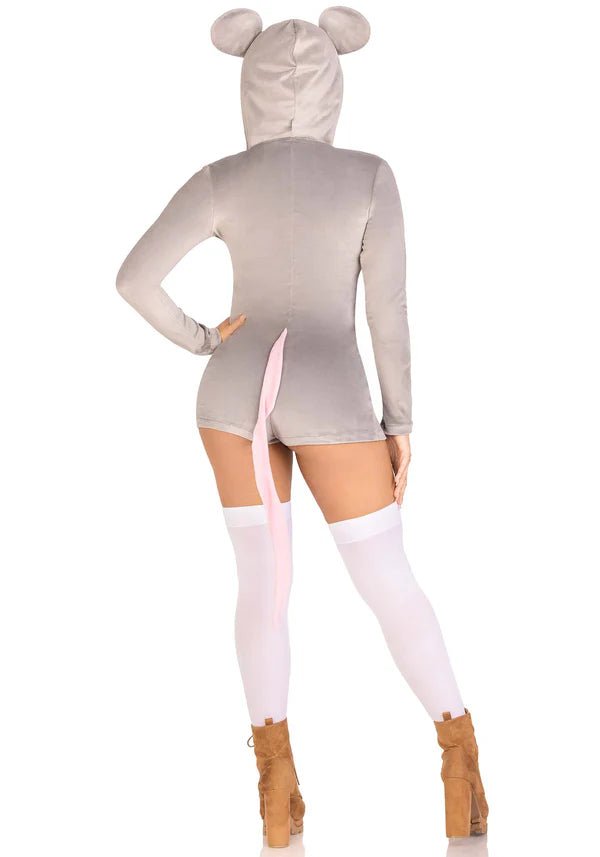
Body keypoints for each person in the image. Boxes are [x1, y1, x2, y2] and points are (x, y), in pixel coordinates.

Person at [116, 7, 489, 847]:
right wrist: (399, 421)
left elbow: (134, 278)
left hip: (232, 390)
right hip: (331, 390)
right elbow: (388, 313)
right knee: (388, 580)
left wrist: (206, 339)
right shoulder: (369, 177)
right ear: (334, 86)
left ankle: (275, 792)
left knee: (262, 586)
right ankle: (459, 763)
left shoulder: (222, 176)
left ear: (248, 86)